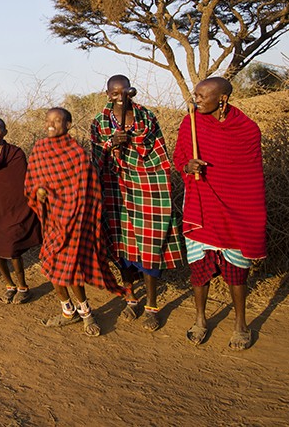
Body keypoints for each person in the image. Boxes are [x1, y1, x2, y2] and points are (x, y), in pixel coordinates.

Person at [173, 77, 266, 350]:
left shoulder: (247, 130)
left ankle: (241, 324)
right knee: (198, 269)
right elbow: (179, 158)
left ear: (222, 99)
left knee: (237, 273)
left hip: (237, 210)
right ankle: (200, 319)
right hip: (201, 207)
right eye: (195, 95)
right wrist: (189, 166)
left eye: (202, 96)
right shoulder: (190, 122)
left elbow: (249, 177)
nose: (196, 100)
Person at [90, 75, 184, 331]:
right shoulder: (99, 121)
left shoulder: (147, 118)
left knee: (150, 244)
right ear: (108, 94)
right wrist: (111, 143)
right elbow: (95, 156)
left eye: (125, 92)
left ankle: (152, 306)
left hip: (146, 186)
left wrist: (130, 140)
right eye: (114, 92)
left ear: (132, 93)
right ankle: (131, 297)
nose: (120, 97)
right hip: (114, 188)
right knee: (121, 245)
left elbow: (157, 152)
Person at [25, 108, 128, 336]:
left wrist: (74, 213)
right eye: (48, 121)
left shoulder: (77, 155)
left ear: (68, 124)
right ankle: (67, 310)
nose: (51, 125)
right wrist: (38, 193)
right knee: (52, 267)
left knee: (70, 270)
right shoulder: (39, 150)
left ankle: (86, 313)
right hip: (51, 222)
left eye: (58, 121)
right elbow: (31, 183)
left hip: (74, 221)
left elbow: (88, 190)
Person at [0, 117, 41, 304]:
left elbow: (19, 184)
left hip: (13, 209)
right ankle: (9, 285)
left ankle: (23, 287)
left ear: (5, 132)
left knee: (12, 250)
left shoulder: (16, 154)